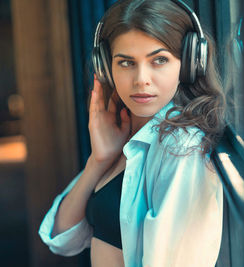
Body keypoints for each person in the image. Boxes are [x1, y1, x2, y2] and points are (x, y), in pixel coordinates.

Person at [39, 0, 226, 266]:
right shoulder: (128, 139)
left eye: (159, 60)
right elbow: (62, 239)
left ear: (188, 63)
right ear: (105, 67)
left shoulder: (181, 147)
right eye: (126, 63)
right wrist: (98, 161)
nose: (141, 79)